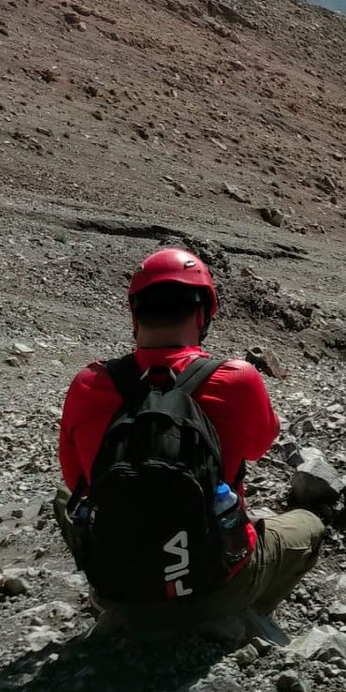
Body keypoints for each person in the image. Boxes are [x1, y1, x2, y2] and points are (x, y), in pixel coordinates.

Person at [56, 247, 322, 635]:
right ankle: (237, 613)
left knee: (62, 500)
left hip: (117, 587)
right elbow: (260, 446)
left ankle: (127, 611)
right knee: (308, 525)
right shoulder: (237, 379)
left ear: (135, 315)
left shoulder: (88, 384)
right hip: (213, 585)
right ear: (202, 315)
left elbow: (76, 479)